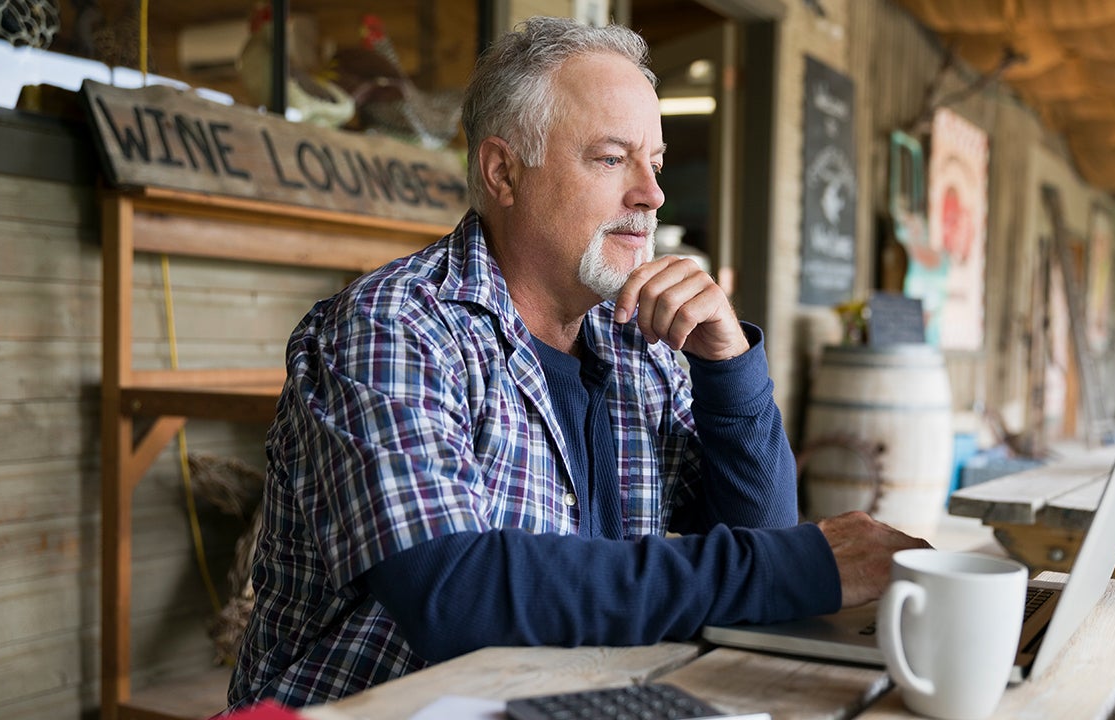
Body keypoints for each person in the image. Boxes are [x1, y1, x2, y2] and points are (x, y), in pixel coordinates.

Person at [226, 16, 929, 711]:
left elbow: (758, 537)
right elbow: (451, 593)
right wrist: (799, 567)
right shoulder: (393, 326)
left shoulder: (633, 341)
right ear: (503, 172)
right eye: (610, 158)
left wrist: (728, 367)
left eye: (653, 162)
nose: (651, 195)